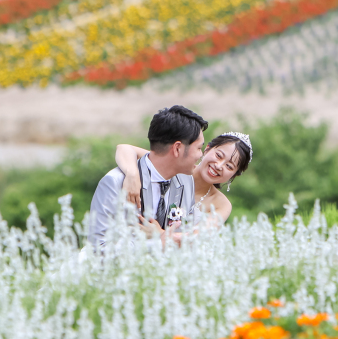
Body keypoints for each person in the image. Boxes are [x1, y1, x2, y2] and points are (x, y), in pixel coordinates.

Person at [88, 105, 208, 248]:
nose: (201, 155)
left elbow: (192, 236)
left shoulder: (186, 181)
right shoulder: (115, 182)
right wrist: (157, 244)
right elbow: (99, 247)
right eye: (199, 148)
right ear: (177, 148)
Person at [114, 131, 252, 225]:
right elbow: (124, 148)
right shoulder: (175, 166)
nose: (219, 166)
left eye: (229, 166)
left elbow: (199, 236)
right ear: (207, 149)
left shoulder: (221, 205)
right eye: (219, 155)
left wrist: (161, 235)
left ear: (234, 175)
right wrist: (132, 175)